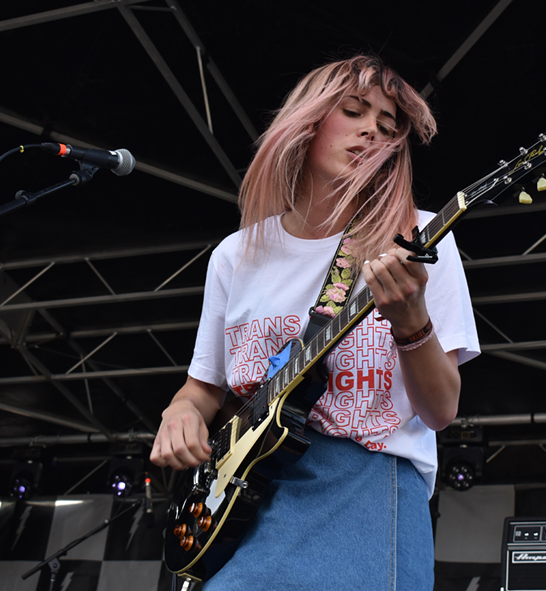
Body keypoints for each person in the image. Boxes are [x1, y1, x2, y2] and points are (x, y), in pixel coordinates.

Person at [150, 55, 480, 590]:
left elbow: (442, 410)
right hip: (248, 502)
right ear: (307, 121)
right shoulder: (236, 255)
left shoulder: (416, 237)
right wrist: (179, 413)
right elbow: (201, 390)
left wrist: (411, 323)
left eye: (389, 126)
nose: (372, 128)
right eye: (353, 111)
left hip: (365, 491)